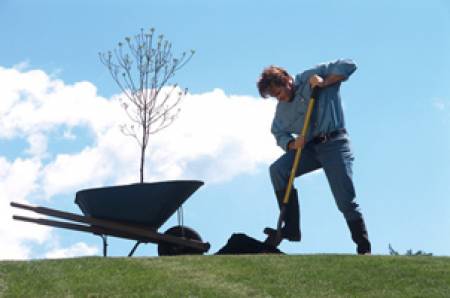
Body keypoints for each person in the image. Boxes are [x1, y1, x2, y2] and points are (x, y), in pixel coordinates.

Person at [257, 59, 371, 255]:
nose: (280, 98)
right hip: (309, 149)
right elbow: (278, 132)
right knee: (277, 170)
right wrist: (292, 144)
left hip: (335, 143)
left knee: (344, 200)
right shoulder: (282, 111)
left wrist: (324, 82)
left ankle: (363, 246)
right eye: (275, 97)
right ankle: (291, 228)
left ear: (287, 80)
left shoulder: (310, 75)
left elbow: (349, 65)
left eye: (279, 92)